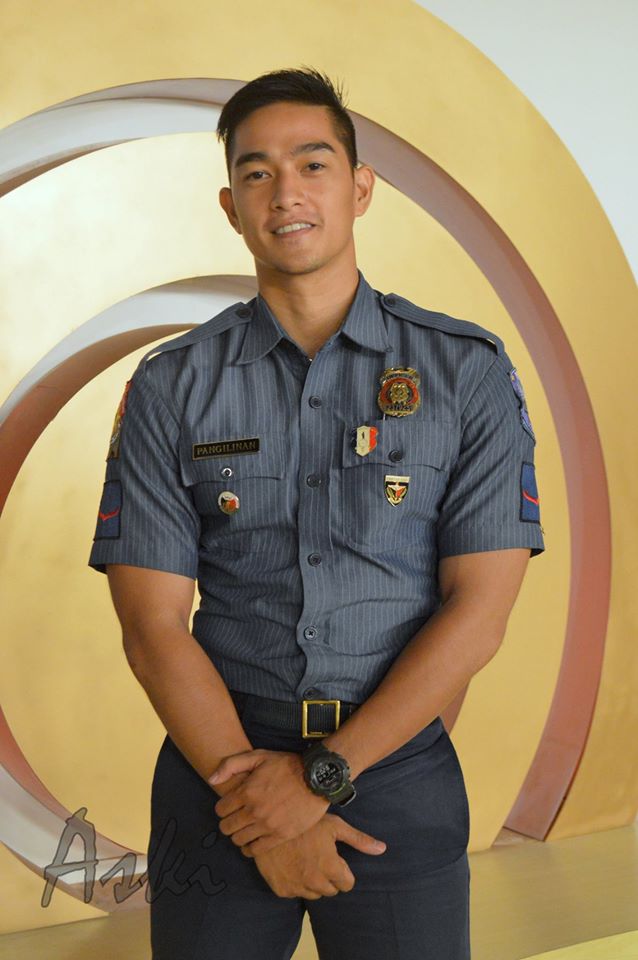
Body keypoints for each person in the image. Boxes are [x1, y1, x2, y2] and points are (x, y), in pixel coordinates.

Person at [89, 66, 544, 960]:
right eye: (256, 172)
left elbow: (480, 610)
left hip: (396, 771)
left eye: (312, 164)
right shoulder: (172, 386)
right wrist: (258, 803)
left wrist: (320, 779)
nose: (285, 193)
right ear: (232, 207)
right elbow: (151, 627)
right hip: (219, 770)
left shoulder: (466, 372)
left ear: (360, 188)